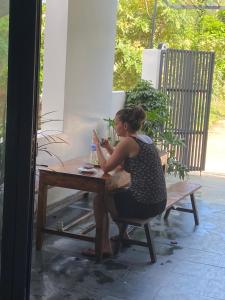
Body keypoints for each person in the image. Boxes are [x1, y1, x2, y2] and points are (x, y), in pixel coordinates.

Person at [82, 106, 167, 258]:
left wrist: (96, 146)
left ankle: (104, 246)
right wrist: (108, 146)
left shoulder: (127, 141)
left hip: (144, 204)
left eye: (117, 124)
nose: (115, 127)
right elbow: (121, 161)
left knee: (100, 200)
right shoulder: (144, 139)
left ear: (125, 126)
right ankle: (124, 235)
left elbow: (106, 167)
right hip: (159, 202)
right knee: (116, 194)